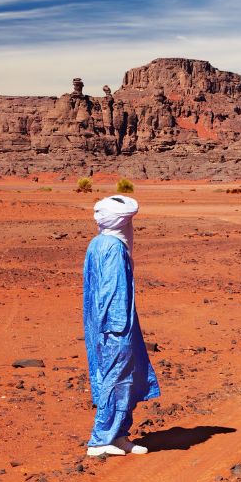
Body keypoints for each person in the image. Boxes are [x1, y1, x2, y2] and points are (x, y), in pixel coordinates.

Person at [82, 194, 160, 456]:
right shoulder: (113, 248)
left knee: (119, 376)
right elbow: (112, 290)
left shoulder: (98, 242)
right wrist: (117, 329)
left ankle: (117, 435)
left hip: (103, 322)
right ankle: (101, 439)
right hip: (115, 325)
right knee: (116, 377)